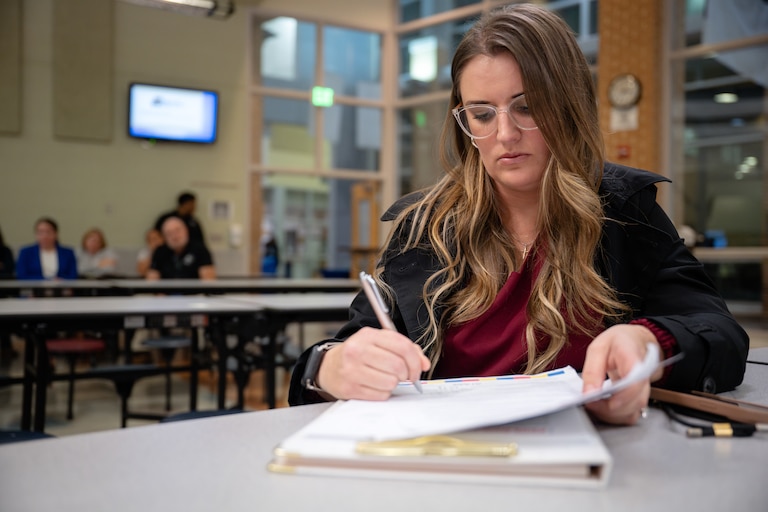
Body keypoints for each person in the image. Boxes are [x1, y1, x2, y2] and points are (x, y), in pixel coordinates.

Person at [288, 4, 749, 426]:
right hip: (442, 458)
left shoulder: (624, 211)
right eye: (482, 115)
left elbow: (721, 335)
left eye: (527, 107)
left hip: (585, 462)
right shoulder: (423, 227)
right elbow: (345, 352)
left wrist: (651, 343)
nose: (505, 133)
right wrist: (329, 366)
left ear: (566, 107)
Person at [147, 216, 215, 280]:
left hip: (194, 291)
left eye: (177, 231)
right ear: (164, 237)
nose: (174, 236)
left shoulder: (199, 249)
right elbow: (152, 281)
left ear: (186, 230)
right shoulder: (160, 252)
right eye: (169, 233)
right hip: (167, 291)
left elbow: (208, 281)